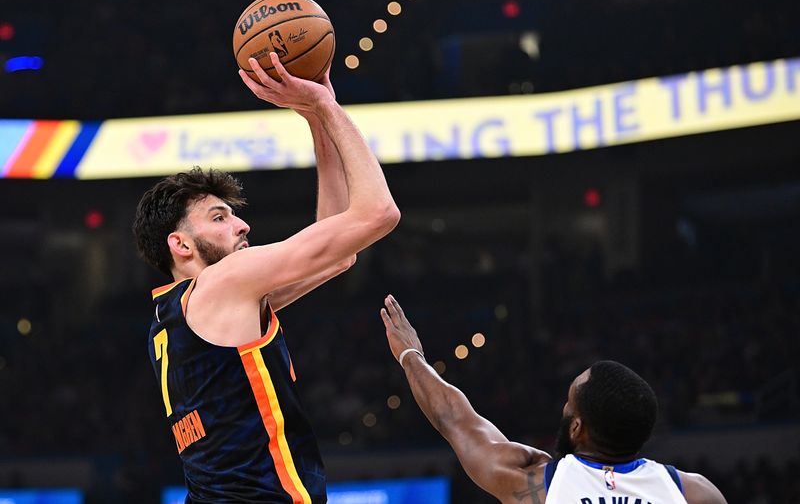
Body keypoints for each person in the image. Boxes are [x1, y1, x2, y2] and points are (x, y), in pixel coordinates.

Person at [132, 52, 400, 504]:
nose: (242, 226)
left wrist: (316, 117)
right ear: (181, 245)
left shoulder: (175, 311)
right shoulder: (225, 282)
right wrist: (328, 107)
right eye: (219, 217)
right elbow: (379, 213)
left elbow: (337, 258)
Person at [379, 295, 727, 504]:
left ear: (577, 427)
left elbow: (455, 420)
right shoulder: (694, 493)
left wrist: (411, 354)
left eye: (568, 402)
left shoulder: (538, 485)